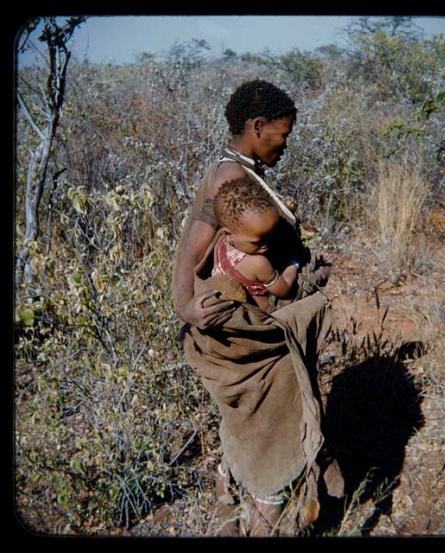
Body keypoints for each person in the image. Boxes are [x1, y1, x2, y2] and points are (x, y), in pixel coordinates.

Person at [172, 80, 341, 537]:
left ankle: (235, 506)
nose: (285, 145)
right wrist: (184, 307)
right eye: (281, 135)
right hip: (254, 341)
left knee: (253, 425)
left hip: (258, 324)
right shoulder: (230, 179)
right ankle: (260, 520)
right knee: (272, 429)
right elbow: (190, 254)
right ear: (257, 125)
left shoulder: (242, 172)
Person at [211, 174, 301, 313]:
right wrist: (293, 265)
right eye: (259, 242)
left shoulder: (221, 244)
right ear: (227, 234)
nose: (268, 243)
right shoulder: (258, 263)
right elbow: (283, 290)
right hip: (262, 316)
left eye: (272, 234)